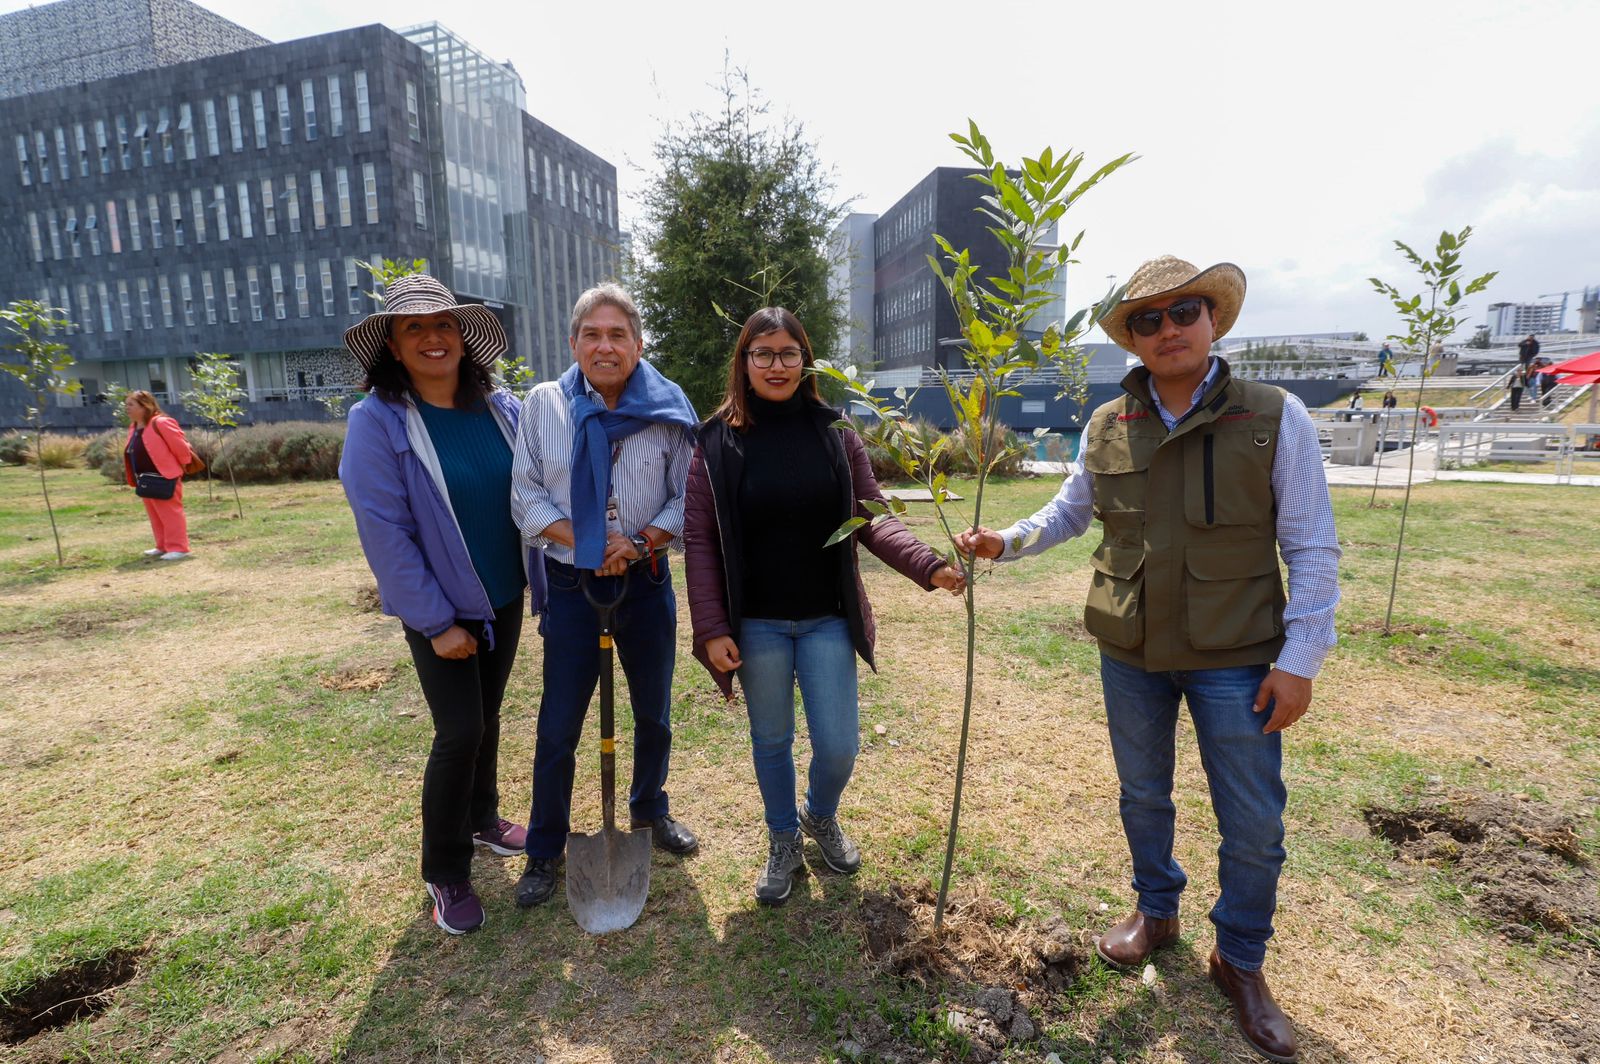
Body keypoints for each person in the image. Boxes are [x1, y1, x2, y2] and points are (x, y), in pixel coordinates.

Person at [956, 256, 1341, 1064]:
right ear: (1131, 337)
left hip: (1236, 656)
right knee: (1142, 793)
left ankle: (1239, 961)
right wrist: (1006, 542)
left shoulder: (1275, 416)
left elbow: (1310, 546)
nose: (1168, 329)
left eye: (1184, 311)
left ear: (1213, 320)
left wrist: (1300, 658)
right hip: (1131, 650)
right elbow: (1071, 511)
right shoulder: (1108, 424)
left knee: (1254, 823)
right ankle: (1156, 911)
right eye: (1148, 319)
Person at [681, 307, 966, 905]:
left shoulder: (836, 431)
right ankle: (783, 836)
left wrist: (929, 565)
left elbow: (872, 518)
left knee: (838, 744)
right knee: (772, 738)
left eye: (789, 353)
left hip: (825, 620)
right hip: (755, 623)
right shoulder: (715, 443)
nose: (777, 365)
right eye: (763, 354)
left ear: (805, 361)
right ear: (745, 362)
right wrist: (710, 627)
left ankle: (819, 814)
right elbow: (701, 541)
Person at [338, 274, 534, 936]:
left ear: (462, 336)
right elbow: (384, 533)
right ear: (392, 345)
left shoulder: (499, 408)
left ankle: (483, 820)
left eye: (443, 324)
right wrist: (435, 622)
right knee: (458, 731)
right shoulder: (377, 424)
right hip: (443, 610)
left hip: (504, 595)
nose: (432, 337)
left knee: (488, 717)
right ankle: (445, 871)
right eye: (414, 328)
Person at [509, 283, 699, 909]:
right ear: (574, 344)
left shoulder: (668, 408)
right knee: (558, 724)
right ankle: (544, 847)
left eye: (618, 334)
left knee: (654, 713)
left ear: (638, 345)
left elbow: (686, 498)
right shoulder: (543, 405)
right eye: (592, 334)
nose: (605, 346)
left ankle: (648, 809)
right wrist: (589, 541)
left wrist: (638, 543)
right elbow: (526, 497)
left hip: (644, 584)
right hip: (571, 586)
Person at [122, 389, 194, 561]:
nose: (127, 408)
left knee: (170, 513)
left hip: (165, 476)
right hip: (145, 477)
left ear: (145, 406)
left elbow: (181, 447)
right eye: (126, 405)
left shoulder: (161, 422)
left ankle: (178, 547)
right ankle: (162, 546)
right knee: (155, 513)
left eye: (131, 405)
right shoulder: (133, 427)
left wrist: (180, 468)